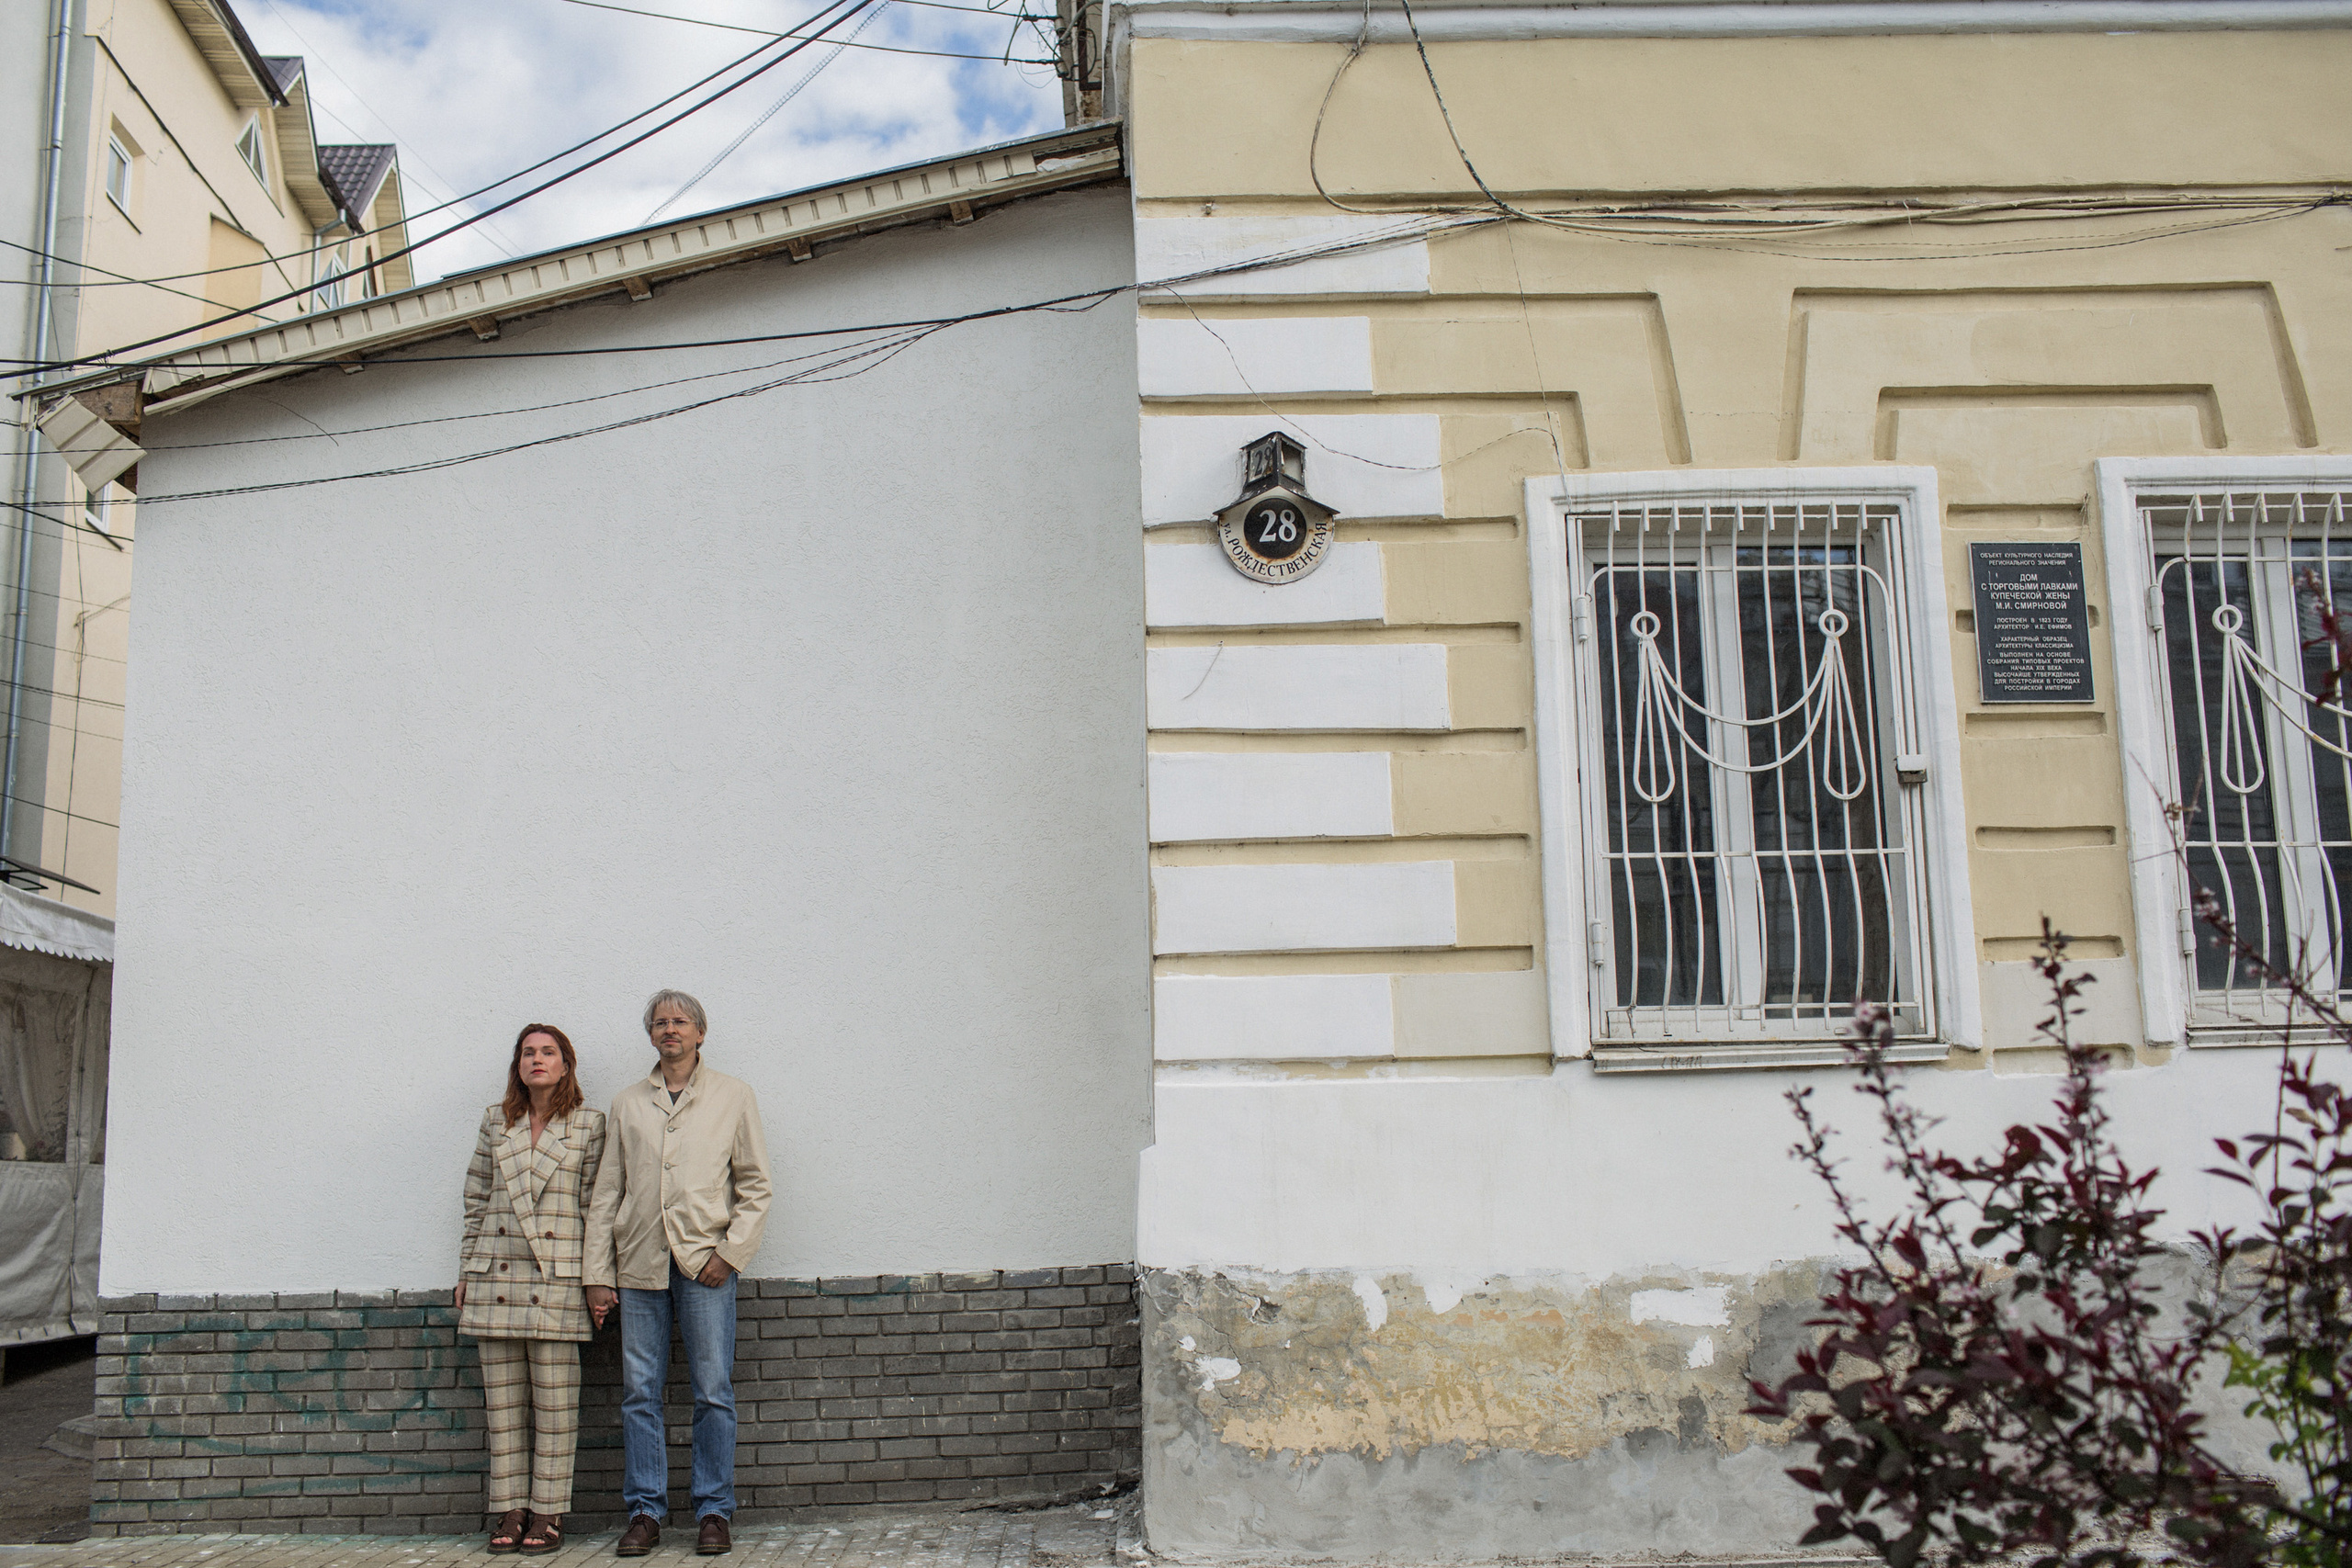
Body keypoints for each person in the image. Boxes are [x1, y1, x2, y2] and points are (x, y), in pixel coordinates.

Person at [585, 989, 772, 1558]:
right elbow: (608, 1192)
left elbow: (755, 1185)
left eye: (680, 1021)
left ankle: (714, 1510)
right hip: (639, 1264)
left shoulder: (733, 1096)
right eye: (661, 1022)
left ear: (699, 1033)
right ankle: (645, 1512)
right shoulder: (628, 1103)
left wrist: (730, 1254)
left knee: (712, 1390)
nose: (670, 1029)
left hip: (705, 1265)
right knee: (639, 1392)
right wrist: (598, 1272)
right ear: (651, 1035)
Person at [457, 1024, 607, 1555]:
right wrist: (467, 1271)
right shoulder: (496, 1121)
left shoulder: (588, 1124)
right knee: (503, 1411)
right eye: (528, 1053)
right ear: (517, 1065)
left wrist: (597, 1280)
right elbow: (477, 1200)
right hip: (495, 1277)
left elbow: (596, 1209)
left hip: (557, 1280)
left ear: (566, 1064)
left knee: (556, 1409)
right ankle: (510, 1508)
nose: (537, 1060)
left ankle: (547, 1511)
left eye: (548, 1052)